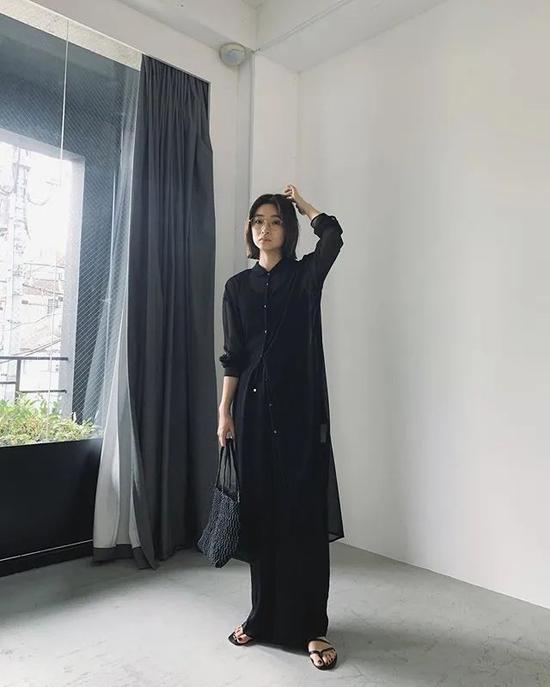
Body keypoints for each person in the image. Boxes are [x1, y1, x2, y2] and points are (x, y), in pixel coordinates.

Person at [217, 184, 344, 670]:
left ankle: (311, 627)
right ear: (249, 230)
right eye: (258, 221)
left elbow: (332, 237)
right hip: (251, 413)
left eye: (274, 221)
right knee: (263, 516)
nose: (264, 229)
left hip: (298, 415)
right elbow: (234, 356)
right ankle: (261, 617)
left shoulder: (305, 276)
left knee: (301, 517)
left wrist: (305, 205)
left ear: (287, 230)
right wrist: (224, 412)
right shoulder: (236, 288)